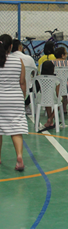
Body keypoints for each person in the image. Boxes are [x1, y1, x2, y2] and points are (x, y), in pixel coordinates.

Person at [0, 34, 27, 171]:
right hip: (15, 98)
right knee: (16, 129)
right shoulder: (18, 61)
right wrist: (23, 98)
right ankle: (19, 157)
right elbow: (22, 82)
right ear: (11, 47)